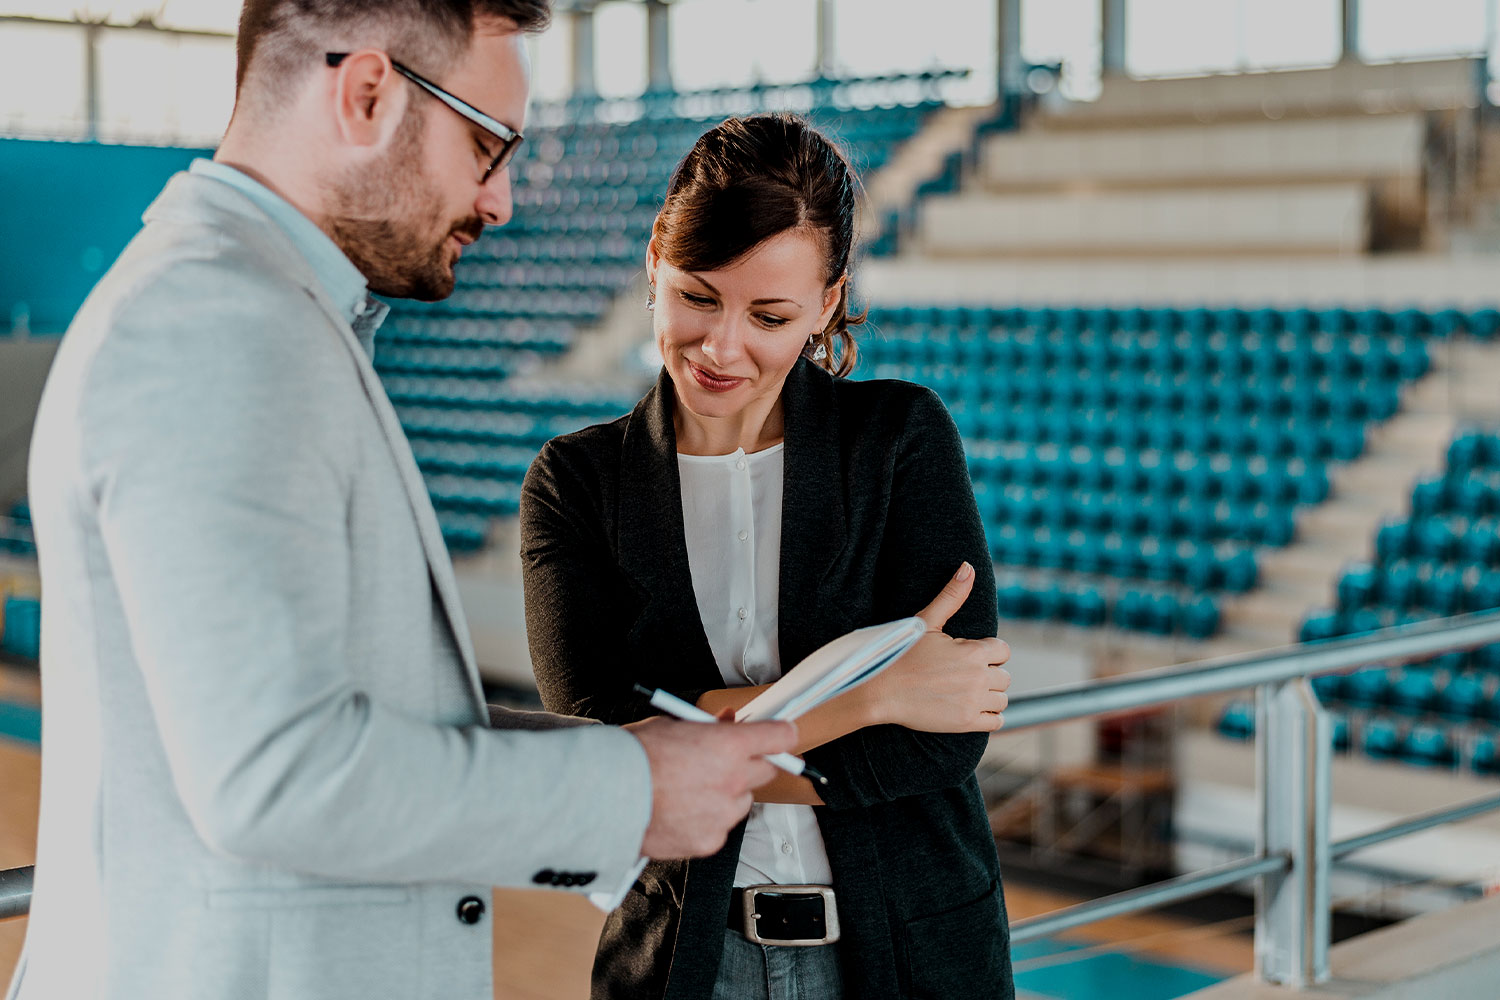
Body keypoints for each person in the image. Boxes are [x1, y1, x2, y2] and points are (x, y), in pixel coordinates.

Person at [9, 4, 798, 999]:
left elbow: (339, 714)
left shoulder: (266, 312)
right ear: (368, 93)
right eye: (487, 145)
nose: (502, 198)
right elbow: (279, 777)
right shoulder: (220, 327)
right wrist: (632, 795)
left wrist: (616, 754)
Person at [520, 113, 1016, 1000]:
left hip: (911, 950)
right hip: (689, 960)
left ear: (827, 303)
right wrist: (873, 695)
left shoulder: (900, 439)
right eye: (698, 297)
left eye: (771, 314)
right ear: (653, 266)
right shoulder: (575, 481)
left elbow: (941, 745)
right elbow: (603, 749)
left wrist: (697, 741)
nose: (722, 347)